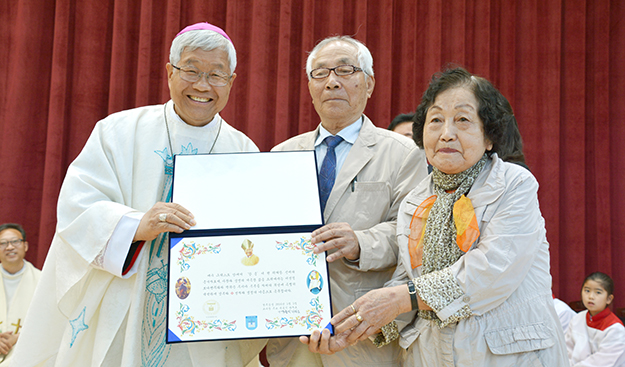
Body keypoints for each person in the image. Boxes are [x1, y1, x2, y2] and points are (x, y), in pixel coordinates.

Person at [10, 23, 266, 366]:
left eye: (216, 75)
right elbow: (77, 207)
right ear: (169, 73)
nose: (203, 85)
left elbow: (259, 238)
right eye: (191, 70)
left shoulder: (246, 153)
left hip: (206, 313)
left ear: (231, 81)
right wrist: (134, 225)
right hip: (125, 301)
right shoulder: (118, 132)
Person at [303, 67, 569, 366]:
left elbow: (491, 270)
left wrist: (400, 299)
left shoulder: (514, 184)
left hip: (507, 355)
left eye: (463, 120)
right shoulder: (415, 200)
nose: (446, 134)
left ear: (490, 136)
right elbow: (406, 281)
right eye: (436, 120)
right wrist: (354, 327)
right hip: (431, 356)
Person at [267, 35, 428, 367]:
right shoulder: (280, 156)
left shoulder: (403, 154)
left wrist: (361, 243)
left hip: (363, 334)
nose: (332, 83)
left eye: (345, 70)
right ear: (310, 86)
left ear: (368, 84)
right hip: (293, 334)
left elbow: (415, 238)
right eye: (320, 73)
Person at [0, 223, 41, 364]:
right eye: (3, 243)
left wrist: (17, 338)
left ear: (25, 246)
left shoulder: (42, 282)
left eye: (15, 241)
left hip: (29, 354)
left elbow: (50, 323)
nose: (10, 247)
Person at [565, 272, 625, 366]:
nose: (591, 297)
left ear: (609, 299)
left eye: (598, 292)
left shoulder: (615, 329)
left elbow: (602, 362)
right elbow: (566, 351)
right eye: (587, 290)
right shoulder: (577, 319)